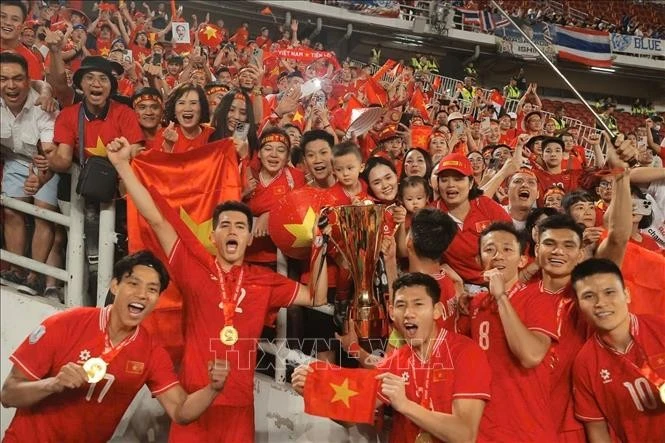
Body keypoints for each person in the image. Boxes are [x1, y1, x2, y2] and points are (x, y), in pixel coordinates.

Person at [106, 136, 329, 441]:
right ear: (213, 235)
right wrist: (122, 165)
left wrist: (320, 243)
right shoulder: (194, 266)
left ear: (250, 238)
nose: (232, 230)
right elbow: (157, 219)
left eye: (240, 226)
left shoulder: (265, 282)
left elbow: (317, 296)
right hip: (194, 403)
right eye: (225, 225)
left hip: (238, 411)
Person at [1, 251, 230, 442]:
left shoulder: (151, 352)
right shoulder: (65, 324)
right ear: (114, 285)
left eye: (152, 289)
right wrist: (52, 384)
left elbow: (180, 411)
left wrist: (213, 389)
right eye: (133, 284)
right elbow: (8, 395)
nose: (142, 294)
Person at [293, 273, 491, 443]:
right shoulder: (396, 361)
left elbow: (465, 434)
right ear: (392, 313)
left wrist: (405, 405)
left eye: (418, 304)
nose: (408, 313)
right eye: (401, 305)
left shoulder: (466, 353)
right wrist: (313, 391)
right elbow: (351, 417)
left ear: (437, 311)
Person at [459, 222, 560, 442]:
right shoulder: (475, 304)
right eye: (489, 249)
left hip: (527, 429)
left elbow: (530, 356)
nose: (498, 256)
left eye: (507, 249)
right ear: (479, 262)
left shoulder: (538, 299)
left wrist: (501, 297)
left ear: (522, 260)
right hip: (483, 429)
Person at [571, 258, 665, 442]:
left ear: (627, 294)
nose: (601, 303)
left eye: (609, 292)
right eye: (589, 296)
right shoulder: (585, 363)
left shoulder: (661, 328)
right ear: (579, 305)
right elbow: (597, 431)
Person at [0, 52, 58, 294]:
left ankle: (35, 276)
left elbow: (50, 153)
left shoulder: (43, 106)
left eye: (17, 79)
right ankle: (17, 270)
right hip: (14, 160)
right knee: (11, 211)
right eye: (3, 79)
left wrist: (40, 176)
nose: (11, 85)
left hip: (48, 163)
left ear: (28, 80)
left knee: (43, 213)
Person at [432, 152, 512, 289]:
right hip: (461, 287)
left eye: (458, 179)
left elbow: (513, 243)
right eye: (444, 179)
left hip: (503, 282)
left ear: (470, 183)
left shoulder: (485, 205)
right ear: (437, 184)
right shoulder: (431, 216)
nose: (450, 184)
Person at [153, 82, 213, 153]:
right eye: (181, 103)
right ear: (174, 110)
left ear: (202, 108)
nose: (187, 108)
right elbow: (158, 163)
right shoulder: (163, 135)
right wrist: (168, 146)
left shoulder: (212, 135)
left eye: (193, 103)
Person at [0, 1, 43, 80]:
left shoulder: (30, 61)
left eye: (15, 19)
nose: (8, 22)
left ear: (23, 26)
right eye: (2, 16)